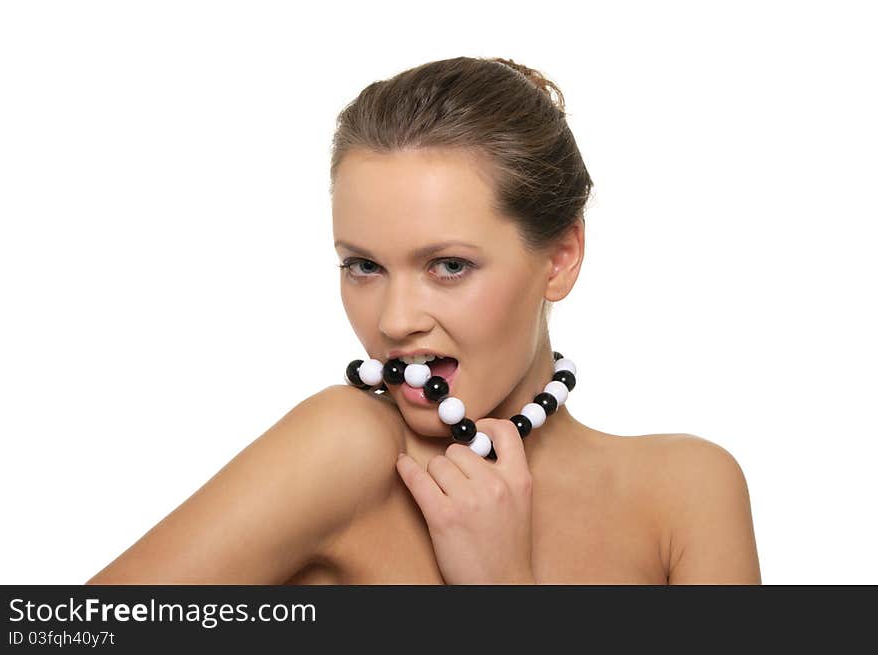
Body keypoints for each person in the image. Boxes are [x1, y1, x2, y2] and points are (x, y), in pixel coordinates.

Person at [86, 56, 761, 585]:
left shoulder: (689, 492)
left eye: (447, 265)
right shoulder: (347, 449)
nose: (396, 320)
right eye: (363, 266)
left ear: (560, 257)